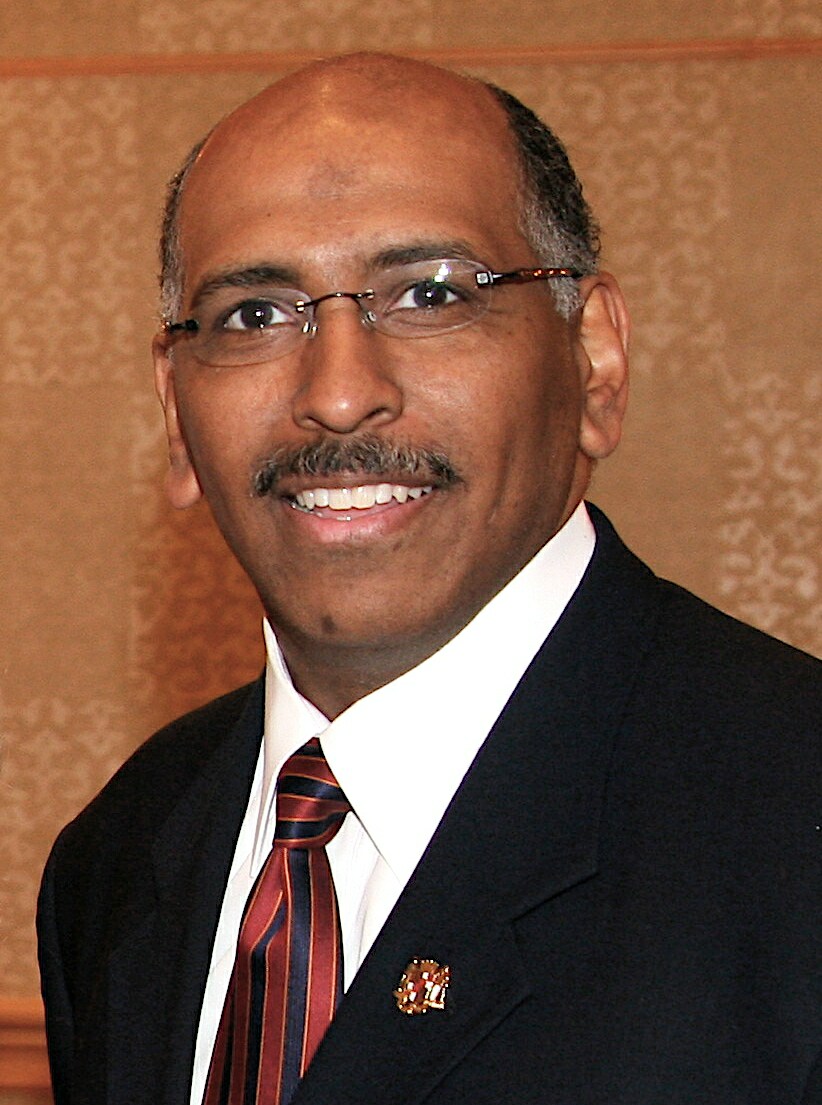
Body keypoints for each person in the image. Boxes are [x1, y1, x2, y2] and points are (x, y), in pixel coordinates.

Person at [37, 52, 821, 1105]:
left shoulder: (790, 827)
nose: (339, 393)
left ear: (594, 360)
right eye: (256, 314)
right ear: (176, 413)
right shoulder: (120, 857)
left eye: (430, 294)